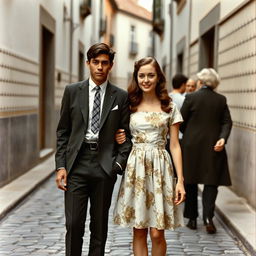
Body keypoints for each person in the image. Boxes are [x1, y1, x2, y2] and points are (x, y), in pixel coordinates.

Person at [55, 43, 132, 256]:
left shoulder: (120, 96)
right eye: (96, 62)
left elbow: (128, 136)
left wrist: (117, 165)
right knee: (74, 224)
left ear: (111, 66)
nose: (100, 67)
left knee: (99, 227)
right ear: (88, 63)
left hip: (104, 167)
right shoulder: (72, 91)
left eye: (104, 63)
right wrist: (61, 165)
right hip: (76, 164)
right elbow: (63, 131)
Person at [113, 57, 186, 256]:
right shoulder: (129, 105)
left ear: (158, 78)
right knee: (139, 229)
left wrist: (180, 180)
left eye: (150, 75)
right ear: (136, 78)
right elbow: (117, 133)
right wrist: (120, 138)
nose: (146, 80)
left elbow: (175, 145)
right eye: (141, 75)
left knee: (156, 233)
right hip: (136, 168)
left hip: (161, 168)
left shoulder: (169, 107)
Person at [180, 68, 232, 234]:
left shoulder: (190, 97)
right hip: (213, 146)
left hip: (191, 146)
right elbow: (227, 122)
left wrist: (190, 133)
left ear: (200, 82)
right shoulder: (221, 100)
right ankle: (208, 218)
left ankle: (192, 219)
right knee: (211, 183)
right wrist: (222, 138)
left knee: (191, 182)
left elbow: (181, 121)